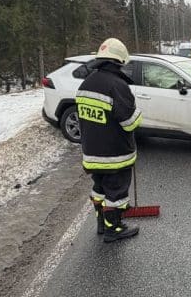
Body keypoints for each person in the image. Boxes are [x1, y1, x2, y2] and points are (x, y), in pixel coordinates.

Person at [75, 38, 142, 242]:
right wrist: (137, 112)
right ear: (119, 61)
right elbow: (129, 123)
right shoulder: (117, 86)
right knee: (116, 192)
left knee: (100, 188)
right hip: (114, 154)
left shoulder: (86, 84)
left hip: (92, 153)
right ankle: (114, 228)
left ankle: (102, 224)